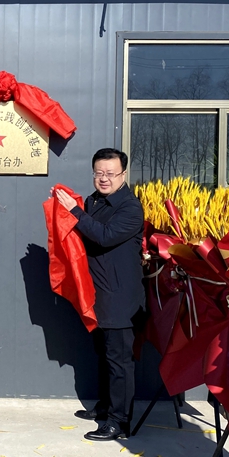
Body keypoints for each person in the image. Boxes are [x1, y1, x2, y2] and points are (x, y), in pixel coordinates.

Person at [54, 148, 144, 441]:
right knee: (104, 356)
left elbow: (105, 236)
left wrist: (75, 212)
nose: (104, 178)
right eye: (98, 173)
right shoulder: (94, 201)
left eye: (110, 173)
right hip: (97, 294)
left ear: (123, 175)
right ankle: (106, 407)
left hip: (120, 298)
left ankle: (120, 422)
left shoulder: (130, 208)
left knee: (119, 361)